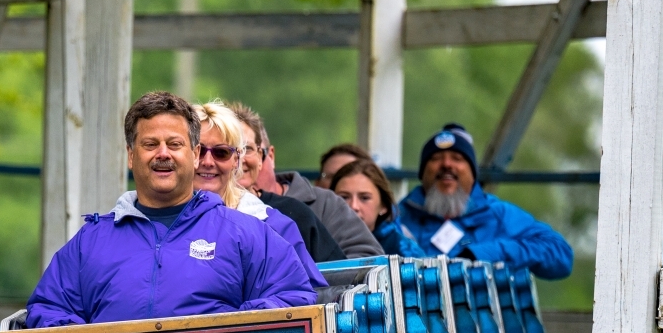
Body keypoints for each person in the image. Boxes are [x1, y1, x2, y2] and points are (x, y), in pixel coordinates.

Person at [25, 92, 318, 327]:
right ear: (130, 155)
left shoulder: (246, 233)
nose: (163, 153)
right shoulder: (89, 242)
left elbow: (294, 297)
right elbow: (48, 310)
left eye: (175, 144)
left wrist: (229, 331)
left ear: (195, 154)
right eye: (150, 144)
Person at [380, 123, 574, 279]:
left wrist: (488, 253)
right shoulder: (397, 217)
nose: (446, 164)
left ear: (473, 174)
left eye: (457, 158)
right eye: (436, 158)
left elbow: (561, 255)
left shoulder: (498, 215)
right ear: (423, 173)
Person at [196, 102, 323, 277]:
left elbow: (303, 289)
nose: (208, 162)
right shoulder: (159, 217)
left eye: (221, 152)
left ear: (236, 160)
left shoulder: (271, 225)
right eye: (199, 151)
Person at [218, 101, 343, 264]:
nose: (239, 158)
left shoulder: (296, 215)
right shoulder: (192, 216)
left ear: (261, 158)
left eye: (247, 149)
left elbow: (339, 275)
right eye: (224, 150)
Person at [243, 120, 383, 259]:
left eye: (249, 150)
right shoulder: (231, 214)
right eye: (230, 154)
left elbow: (370, 263)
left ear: (270, 156)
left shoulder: (323, 205)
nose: (241, 163)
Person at [330, 157, 396, 236]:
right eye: (344, 197)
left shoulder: (400, 243)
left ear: (383, 205)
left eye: (364, 198)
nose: (353, 206)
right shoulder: (319, 240)